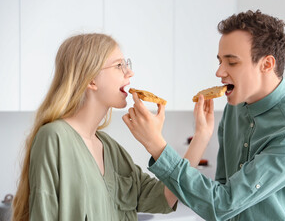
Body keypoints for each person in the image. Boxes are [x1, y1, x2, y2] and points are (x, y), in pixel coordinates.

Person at [123, 10, 285, 221]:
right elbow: (220, 188)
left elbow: (223, 203)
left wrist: (157, 146)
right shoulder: (234, 108)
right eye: (220, 61)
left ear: (267, 64)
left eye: (232, 62)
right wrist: (201, 134)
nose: (219, 72)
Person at [12, 33, 212, 221]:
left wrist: (201, 135)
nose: (130, 72)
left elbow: (165, 197)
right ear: (91, 79)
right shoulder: (54, 138)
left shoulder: (110, 148)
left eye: (127, 64)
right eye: (119, 66)